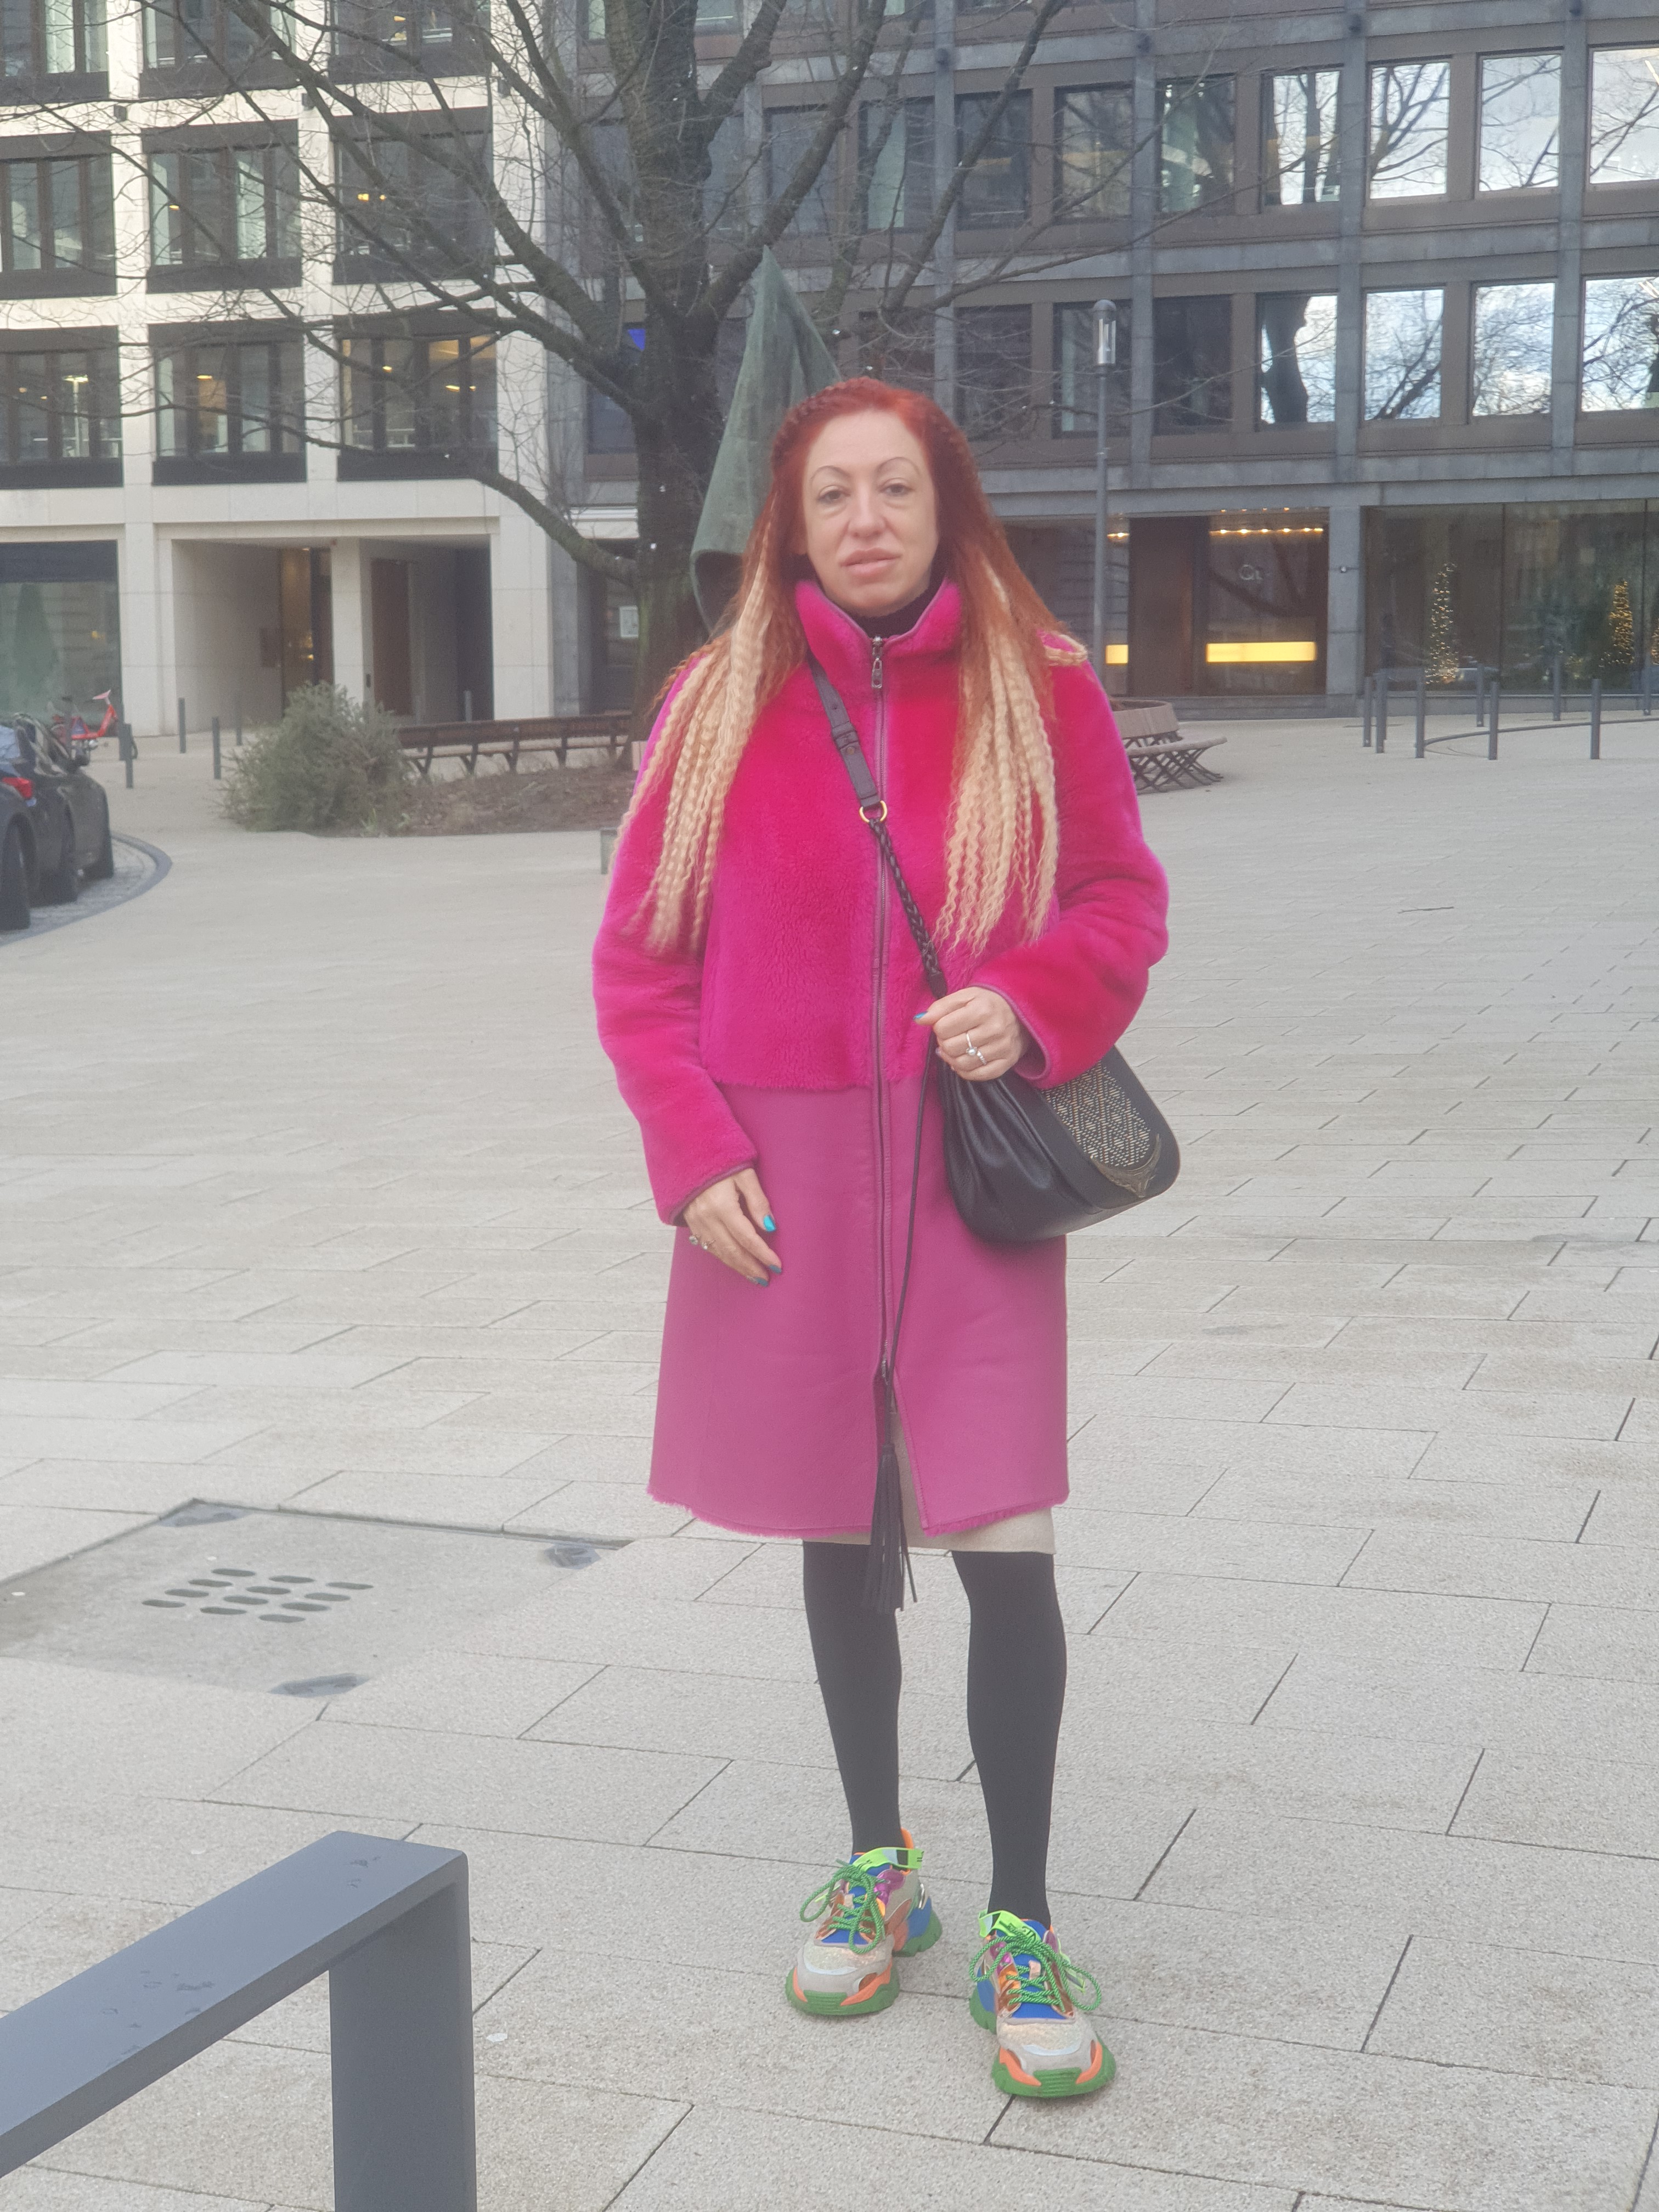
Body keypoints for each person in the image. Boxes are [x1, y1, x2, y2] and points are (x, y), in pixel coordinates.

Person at [592, 377, 1168, 2100]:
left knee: (1005, 1539)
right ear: (790, 521)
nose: (864, 519)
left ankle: (1025, 1919)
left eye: (895, 488)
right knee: (839, 1529)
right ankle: (875, 1860)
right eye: (832, 492)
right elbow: (640, 962)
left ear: (943, 505)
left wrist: (1034, 998)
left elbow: (1120, 901)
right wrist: (692, 1152)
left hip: (965, 1176)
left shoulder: (1037, 687)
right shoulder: (716, 704)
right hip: (781, 1181)